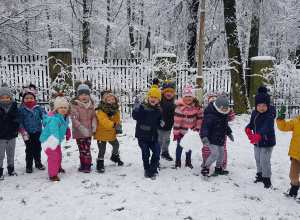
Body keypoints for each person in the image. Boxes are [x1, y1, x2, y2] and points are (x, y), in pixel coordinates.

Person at [244, 86, 276, 188]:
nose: (261, 108)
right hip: (257, 142)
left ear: (268, 105)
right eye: (259, 105)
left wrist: (259, 134)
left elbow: (266, 126)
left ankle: (267, 179)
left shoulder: (269, 115)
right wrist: (248, 128)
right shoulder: (255, 113)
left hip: (267, 142)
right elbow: (252, 123)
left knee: (264, 161)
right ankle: (260, 174)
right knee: (257, 159)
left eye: (264, 105)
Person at [132, 82, 164, 179]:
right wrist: (136, 109)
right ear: (148, 98)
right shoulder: (143, 107)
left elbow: (159, 120)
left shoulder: (159, 110)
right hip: (142, 136)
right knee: (145, 153)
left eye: (156, 97)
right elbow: (135, 117)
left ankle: (153, 166)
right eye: (151, 97)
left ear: (159, 99)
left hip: (154, 136)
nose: (153, 99)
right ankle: (147, 169)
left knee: (157, 152)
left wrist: (162, 122)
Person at [201, 92, 234, 177]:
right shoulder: (210, 115)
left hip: (220, 139)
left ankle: (218, 168)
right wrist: (204, 136)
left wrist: (229, 133)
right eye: (221, 108)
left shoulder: (224, 115)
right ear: (217, 106)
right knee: (215, 154)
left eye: (225, 108)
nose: (223, 109)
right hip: (211, 139)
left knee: (222, 154)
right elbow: (205, 126)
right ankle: (206, 167)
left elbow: (225, 126)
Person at [40, 93, 70, 181]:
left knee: (59, 155)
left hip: (56, 141)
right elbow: (54, 131)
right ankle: (52, 175)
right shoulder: (54, 119)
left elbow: (64, 126)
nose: (63, 109)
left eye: (65, 107)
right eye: (61, 107)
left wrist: (68, 131)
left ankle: (58, 167)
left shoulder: (65, 117)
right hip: (49, 141)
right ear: (56, 108)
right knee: (53, 157)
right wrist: (55, 140)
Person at [18, 84, 47, 173]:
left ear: (34, 99)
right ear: (23, 99)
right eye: (27, 98)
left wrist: (46, 123)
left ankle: (38, 162)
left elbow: (45, 115)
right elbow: (19, 121)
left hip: (38, 131)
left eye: (31, 98)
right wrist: (22, 130)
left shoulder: (38, 108)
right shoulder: (21, 109)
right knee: (29, 148)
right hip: (27, 133)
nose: (29, 99)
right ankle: (29, 165)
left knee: (38, 147)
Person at [173, 86, 203, 169]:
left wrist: (197, 127)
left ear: (193, 97)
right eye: (186, 96)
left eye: (190, 96)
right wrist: (176, 133)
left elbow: (199, 118)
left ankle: (188, 160)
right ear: (183, 97)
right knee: (180, 146)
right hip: (181, 132)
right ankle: (178, 160)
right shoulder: (180, 108)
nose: (188, 98)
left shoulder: (197, 107)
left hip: (191, 132)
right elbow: (177, 121)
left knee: (189, 146)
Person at [71, 81, 97, 173]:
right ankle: (82, 164)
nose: (84, 96)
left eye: (86, 94)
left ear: (89, 95)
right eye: (81, 94)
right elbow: (74, 118)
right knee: (81, 148)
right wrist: (81, 127)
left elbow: (94, 116)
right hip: (79, 132)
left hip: (88, 132)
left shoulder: (91, 105)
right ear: (78, 95)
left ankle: (87, 165)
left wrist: (94, 123)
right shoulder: (75, 106)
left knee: (87, 148)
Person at [94, 91, 123, 173]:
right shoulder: (101, 110)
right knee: (102, 150)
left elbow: (117, 120)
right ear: (105, 101)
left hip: (111, 132)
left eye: (112, 99)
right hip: (101, 133)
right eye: (109, 100)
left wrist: (119, 126)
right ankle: (100, 163)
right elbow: (104, 121)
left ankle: (115, 156)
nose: (111, 101)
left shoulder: (116, 109)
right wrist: (114, 125)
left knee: (116, 145)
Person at [276, 105, 300, 198]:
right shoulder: (296, 122)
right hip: (296, 155)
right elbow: (284, 127)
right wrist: (281, 119)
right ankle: (294, 188)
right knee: (293, 176)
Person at [0, 83, 21, 180]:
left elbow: (17, 116)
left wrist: (15, 124)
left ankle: (11, 168)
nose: (5, 99)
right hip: (1, 135)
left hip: (12, 134)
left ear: (10, 98)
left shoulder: (13, 106)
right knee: (0, 154)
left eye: (7, 97)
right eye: (2, 98)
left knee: (11, 152)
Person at [158, 79, 176, 161]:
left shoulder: (173, 102)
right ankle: (157, 153)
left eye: (171, 92)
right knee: (159, 140)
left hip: (169, 124)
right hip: (160, 125)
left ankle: (165, 152)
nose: (169, 93)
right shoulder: (160, 100)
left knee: (167, 139)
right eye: (167, 91)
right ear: (163, 92)